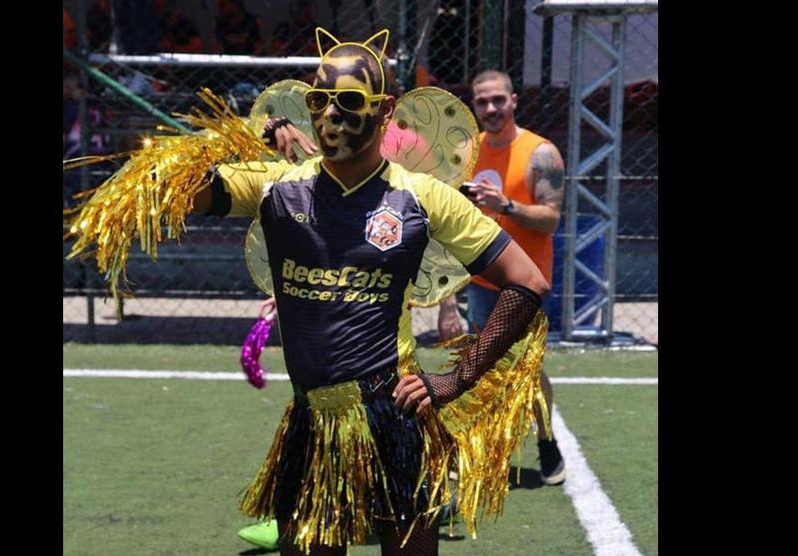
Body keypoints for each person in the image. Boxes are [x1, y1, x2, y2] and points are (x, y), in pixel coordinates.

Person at [68, 29, 550, 556]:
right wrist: (224, 143)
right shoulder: (276, 186)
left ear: (385, 109)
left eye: (349, 103)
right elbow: (170, 190)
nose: (330, 117)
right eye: (319, 102)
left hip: (394, 418)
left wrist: (455, 378)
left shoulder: (422, 197)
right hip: (311, 423)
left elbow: (527, 281)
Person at [437, 69, 567, 486]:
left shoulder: (540, 153)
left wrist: (507, 205)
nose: (490, 109)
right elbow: (444, 223)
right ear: (472, 106)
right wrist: (445, 299)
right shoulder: (464, 152)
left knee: (525, 370)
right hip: (480, 281)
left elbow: (550, 220)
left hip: (525, 285)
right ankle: (476, 451)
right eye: (482, 102)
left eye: (498, 100)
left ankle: (547, 442)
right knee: (477, 366)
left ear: (513, 100)